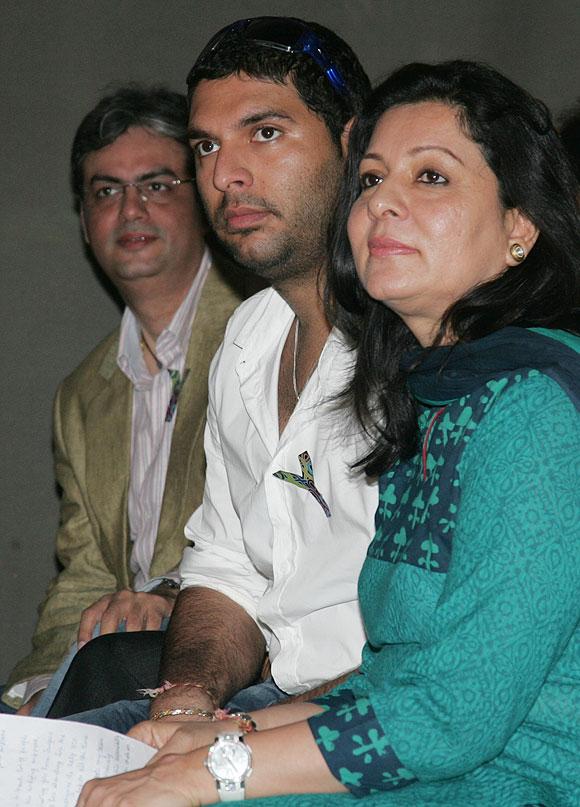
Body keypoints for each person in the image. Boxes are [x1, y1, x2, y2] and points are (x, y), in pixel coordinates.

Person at [79, 59, 579, 806]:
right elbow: (389, 679)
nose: (386, 205)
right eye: (372, 180)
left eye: (432, 178)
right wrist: (217, 735)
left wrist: (210, 771)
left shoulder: (532, 405)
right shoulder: (438, 397)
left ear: (520, 226)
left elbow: (451, 716)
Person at [44, 16, 375, 729]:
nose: (225, 174)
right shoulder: (249, 339)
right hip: (267, 699)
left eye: (264, 132)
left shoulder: (421, 337)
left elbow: (442, 658)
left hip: (373, 714)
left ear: (351, 143)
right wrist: (189, 698)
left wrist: (250, 737)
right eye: (206, 145)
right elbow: (224, 570)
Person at [1, 86, 246, 716]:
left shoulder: (264, 331)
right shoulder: (81, 397)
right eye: (106, 191)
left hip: (231, 656)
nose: (130, 209)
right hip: (113, 670)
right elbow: (81, 581)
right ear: (85, 223)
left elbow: (274, 531)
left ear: (207, 199)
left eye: (158, 184)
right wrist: (29, 696)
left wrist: (168, 595)